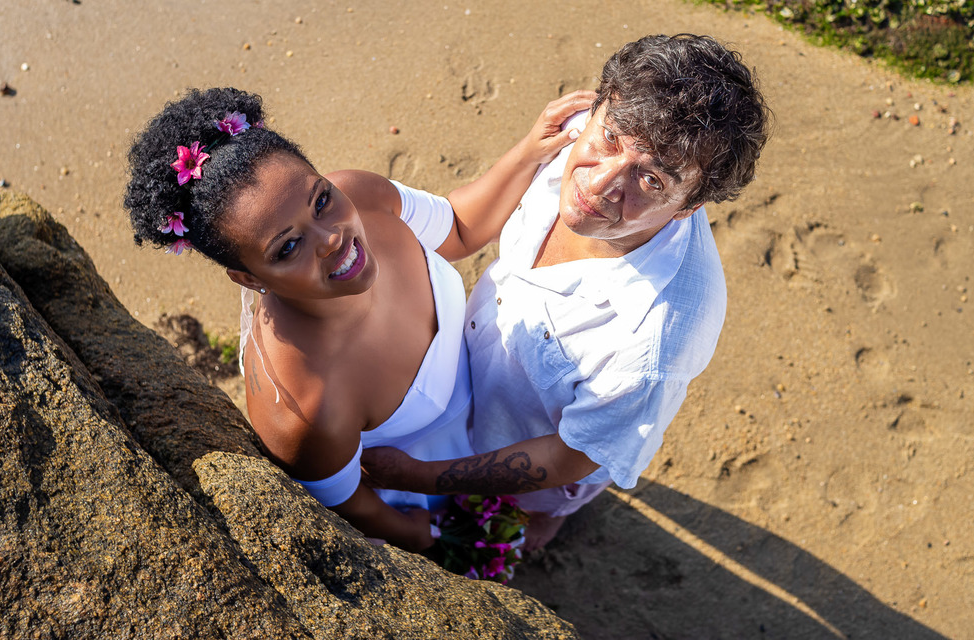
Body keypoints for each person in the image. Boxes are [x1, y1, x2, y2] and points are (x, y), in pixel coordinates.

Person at [123, 86, 591, 551]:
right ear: (248, 278)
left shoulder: (361, 194)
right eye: (287, 248)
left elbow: (460, 228)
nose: (330, 239)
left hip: (503, 404)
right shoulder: (304, 407)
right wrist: (427, 536)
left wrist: (531, 150)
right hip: (427, 477)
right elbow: (352, 504)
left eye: (321, 200)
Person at [362, 33, 772, 549]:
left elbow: (569, 456)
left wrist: (420, 477)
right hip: (472, 390)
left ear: (690, 206)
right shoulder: (571, 136)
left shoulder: (653, 342)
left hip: (538, 453)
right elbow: (469, 219)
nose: (601, 184)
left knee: (536, 521)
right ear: (598, 105)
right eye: (611, 138)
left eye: (651, 181)